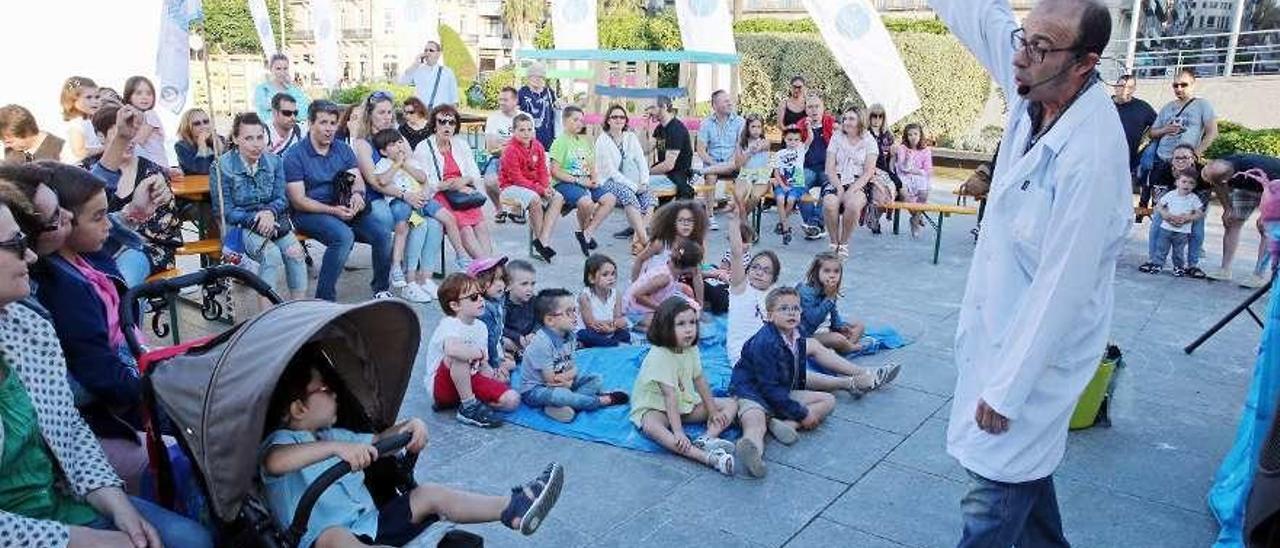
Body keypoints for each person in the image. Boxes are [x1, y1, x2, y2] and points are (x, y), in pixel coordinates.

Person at [929, 0, 1132, 544]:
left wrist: (1009, 389)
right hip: (998, 330)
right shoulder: (1036, 83)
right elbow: (980, 18)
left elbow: (1062, 288)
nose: (1021, 55)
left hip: (1036, 360)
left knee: (991, 499)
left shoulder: (1092, 154)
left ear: (1085, 63)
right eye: (1024, 38)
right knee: (1027, 493)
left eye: (1040, 48)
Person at [0, 184, 213, 548]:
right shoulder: (60, 292)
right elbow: (100, 375)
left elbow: (68, 428)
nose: (32, 257)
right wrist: (85, 540)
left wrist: (120, 509)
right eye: (17, 242)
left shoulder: (25, 324)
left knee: (192, 539)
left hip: (61, 497)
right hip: (28, 529)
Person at [261, 356, 564, 548]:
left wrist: (410, 425)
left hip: (373, 524)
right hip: (323, 541)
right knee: (334, 538)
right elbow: (276, 463)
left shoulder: (336, 434)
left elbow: (378, 439)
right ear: (299, 408)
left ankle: (513, 506)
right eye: (325, 389)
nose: (335, 392)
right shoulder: (282, 443)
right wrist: (337, 449)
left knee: (428, 493)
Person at [36, 166, 167, 493]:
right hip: (117, 404)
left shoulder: (89, 257)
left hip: (133, 369)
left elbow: (120, 233)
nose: (108, 224)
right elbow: (100, 373)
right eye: (98, 217)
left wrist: (134, 211)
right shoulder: (65, 289)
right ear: (63, 221)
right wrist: (159, 390)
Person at [283, 100, 394, 301]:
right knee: (343, 237)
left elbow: (357, 180)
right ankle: (324, 299)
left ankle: (381, 289)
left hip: (342, 207)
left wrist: (358, 196)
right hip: (309, 212)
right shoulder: (295, 155)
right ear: (310, 123)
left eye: (333, 123)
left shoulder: (342, 149)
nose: (329, 129)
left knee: (383, 234)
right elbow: (298, 200)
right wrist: (333, 211)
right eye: (323, 123)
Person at [730, 287, 837, 479]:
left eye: (796, 308)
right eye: (784, 309)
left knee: (827, 400)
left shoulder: (798, 333)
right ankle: (753, 450)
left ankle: (787, 424)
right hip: (752, 392)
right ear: (770, 316)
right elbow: (768, 388)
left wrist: (797, 407)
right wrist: (802, 413)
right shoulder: (765, 343)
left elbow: (795, 368)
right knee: (755, 424)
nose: (791, 312)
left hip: (780, 392)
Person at [629, 296, 737, 475]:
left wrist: (712, 411)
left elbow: (699, 379)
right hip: (657, 408)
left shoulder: (690, 348)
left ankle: (707, 438)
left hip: (684, 403)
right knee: (651, 426)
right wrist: (678, 432)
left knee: (731, 404)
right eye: (681, 324)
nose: (689, 330)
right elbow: (668, 396)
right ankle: (710, 459)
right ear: (665, 327)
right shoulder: (660, 355)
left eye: (692, 323)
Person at [216, 112, 308, 304]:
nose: (256, 144)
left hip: (272, 221)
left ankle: (298, 311)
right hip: (241, 226)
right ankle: (268, 319)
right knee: (270, 255)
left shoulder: (274, 161)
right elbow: (225, 210)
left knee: (296, 253)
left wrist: (269, 212)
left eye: (260, 137)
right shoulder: (221, 166)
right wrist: (257, 217)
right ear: (235, 139)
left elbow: (282, 199)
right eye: (248, 138)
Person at [88, 105, 181, 286]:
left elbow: (164, 228)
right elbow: (80, 219)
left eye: (132, 133)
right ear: (100, 136)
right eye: (121, 134)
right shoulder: (85, 172)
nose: (129, 140)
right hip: (96, 249)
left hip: (145, 248)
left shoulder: (152, 172)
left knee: (122, 282)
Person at [371, 128, 463, 301]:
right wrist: (397, 164)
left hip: (421, 203)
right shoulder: (384, 164)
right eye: (392, 144)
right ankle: (408, 279)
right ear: (383, 151)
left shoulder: (411, 161)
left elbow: (422, 178)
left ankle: (426, 278)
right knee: (420, 225)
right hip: (402, 208)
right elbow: (382, 181)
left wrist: (405, 163)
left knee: (438, 224)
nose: (398, 146)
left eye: (399, 142)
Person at [517, 288, 629, 423]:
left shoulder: (570, 335)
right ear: (550, 320)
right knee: (561, 395)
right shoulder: (542, 343)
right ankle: (601, 400)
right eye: (568, 312)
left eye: (575, 310)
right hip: (536, 390)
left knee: (596, 379)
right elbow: (550, 380)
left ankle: (563, 406)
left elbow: (572, 367)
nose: (575, 316)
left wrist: (568, 380)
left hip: (561, 381)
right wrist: (567, 380)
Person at [425, 273, 520, 428]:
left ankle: (469, 400)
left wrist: (494, 373)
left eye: (481, 294)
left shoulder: (481, 327)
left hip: (470, 379)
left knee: (512, 399)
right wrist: (479, 354)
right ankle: (469, 407)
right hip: (442, 387)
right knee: (459, 356)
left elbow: (482, 366)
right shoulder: (449, 324)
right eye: (473, 297)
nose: (481, 299)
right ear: (455, 305)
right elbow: (452, 349)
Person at [415, 104, 493, 267]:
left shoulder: (460, 144)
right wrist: (446, 185)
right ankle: (486, 267)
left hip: (461, 192)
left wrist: (462, 182)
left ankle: (489, 264)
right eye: (442, 122)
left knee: (480, 224)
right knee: (465, 227)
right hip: (438, 194)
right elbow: (422, 181)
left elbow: (474, 172)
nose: (447, 126)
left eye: (451, 122)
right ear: (434, 125)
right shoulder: (424, 148)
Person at [1202, 153, 1280, 286]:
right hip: (1247, 187)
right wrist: (1227, 209)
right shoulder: (1221, 165)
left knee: (1266, 228)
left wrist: (1266, 216)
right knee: (1231, 221)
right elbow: (1219, 186)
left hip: (1274, 189)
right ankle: (1225, 270)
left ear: (1227, 178)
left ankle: (1258, 275)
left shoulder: (1263, 169)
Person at [1146, 67, 1218, 210]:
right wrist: (1165, 130)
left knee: (1187, 207)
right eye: (1175, 85)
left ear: (1193, 84)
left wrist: (1196, 152)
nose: (1179, 88)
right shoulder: (1167, 107)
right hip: (1163, 161)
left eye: (1183, 84)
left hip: (1186, 162)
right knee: (1160, 207)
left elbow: (1212, 133)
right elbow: (1152, 133)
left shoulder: (1202, 105)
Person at [550, 106, 615, 256]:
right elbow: (555, 171)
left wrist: (594, 178)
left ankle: (586, 233)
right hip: (565, 182)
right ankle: (585, 233)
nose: (580, 123)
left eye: (582, 120)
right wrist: (579, 181)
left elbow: (591, 164)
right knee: (587, 203)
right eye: (575, 120)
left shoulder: (585, 140)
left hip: (585, 180)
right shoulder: (560, 142)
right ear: (565, 121)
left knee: (610, 199)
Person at [500, 113, 562, 263]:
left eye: (529, 129)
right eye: (522, 130)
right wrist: (540, 190)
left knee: (558, 197)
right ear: (514, 131)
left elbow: (542, 171)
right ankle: (541, 243)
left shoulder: (538, 146)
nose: (526, 133)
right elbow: (518, 179)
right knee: (534, 199)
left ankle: (542, 240)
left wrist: (546, 187)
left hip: (533, 187)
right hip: (511, 188)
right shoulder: (510, 150)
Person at [595, 104, 657, 250]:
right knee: (629, 195)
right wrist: (635, 187)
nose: (618, 119)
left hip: (633, 181)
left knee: (651, 199)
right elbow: (611, 172)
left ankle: (636, 240)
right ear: (608, 120)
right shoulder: (602, 140)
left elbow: (641, 161)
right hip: (608, 181)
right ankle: (645, 241)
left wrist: (644, 182)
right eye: (614, 117)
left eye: (622, 117)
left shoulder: (630, 137)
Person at [823, 106, 883, 257]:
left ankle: (843, 243)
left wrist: (850, 190)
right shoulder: (836, 137)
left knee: (853, 204)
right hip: (837, 177)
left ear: (860, 121)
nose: (846, 122)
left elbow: (869, 171)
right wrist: (840, 188)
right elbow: (829, 167)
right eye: (845, 118)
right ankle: (833, 242)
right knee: (830, 203)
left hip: (858, 181)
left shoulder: (869, 141)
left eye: (851, 119)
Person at [624, 239, 702, 329]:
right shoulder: (664, 278)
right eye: (696, 267)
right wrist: (660, 308)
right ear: (689, 267)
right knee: (671, 324)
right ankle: (637, 325)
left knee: (690, 310)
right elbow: (637, 295)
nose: (697, 270)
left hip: (653, 302)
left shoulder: (673, 272)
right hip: (635, 310)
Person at [696, 90, 746, 231]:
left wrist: (729, 162)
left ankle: (700, 172)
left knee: (735, 165)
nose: (730, 102)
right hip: (714, 163)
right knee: (711, 176)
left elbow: (740, 146)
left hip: (734, 162)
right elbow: (701, 150)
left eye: (729, 100)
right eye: (725, 101)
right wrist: (714, 164)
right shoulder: (706, 123)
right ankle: (709, 215)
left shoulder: (739, 122)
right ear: (715, 105)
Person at [1141, 169, 1204, 276]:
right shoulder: (1170, 195)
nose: (1187, 185)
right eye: (1184, 182)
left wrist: (1188, 217)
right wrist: (1166, 214)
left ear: (1194, 186)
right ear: (1177, 182)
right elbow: (1159, 206)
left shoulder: (1193, 198)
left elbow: (1200, 213)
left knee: (1178, 251)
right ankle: (1157, 264)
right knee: (1161, 248)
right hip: (1166, 228)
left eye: (1191, 183)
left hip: (1182, 231)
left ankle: (1179, 267)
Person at [797, 94, 835, 239]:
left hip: (828, 168)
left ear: (823, 108)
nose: (814, 110)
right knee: (798, 185)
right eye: (810, 107)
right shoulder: (800, 127)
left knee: (830, 189)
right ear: (806, 110)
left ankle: (814, 223)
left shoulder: (832, 124)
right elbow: (794, 150)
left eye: (817, 106)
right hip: (808, 168)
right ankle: (815, 225)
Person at [484, 87, 523, 219]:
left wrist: (504, 144)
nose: (501, 102)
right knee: (489, 182)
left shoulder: (524, 117)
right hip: (498, 158)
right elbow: (491, 147)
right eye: (500, 99)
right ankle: (499, 208)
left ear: (515, 100)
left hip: (520, 160)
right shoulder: (493, 118)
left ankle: (517, 207)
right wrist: (514, 144)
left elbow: (529, 144)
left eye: (505, 100)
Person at [470, 257, 513, 375]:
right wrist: (496, 365)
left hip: (495, 352)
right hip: (483, 362)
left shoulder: (498, 300)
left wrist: (502, 351)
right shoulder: (484, 309)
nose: (500, 284)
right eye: (493, 280)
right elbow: (490, 340)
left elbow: (498, 333)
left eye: (502, 279)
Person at [646, 96, 695, 200]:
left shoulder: (676, 129)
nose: (649, 111)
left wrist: (646, 172)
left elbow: (668, 165)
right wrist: (644, 125)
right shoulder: (660, 129)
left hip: (677, 175)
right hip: (665, 172)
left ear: (663, 107)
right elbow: (645, 150)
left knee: (641, 185)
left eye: (652, 108)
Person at [577, 253, 629, 348]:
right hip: (593, 331)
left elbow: (618, 317)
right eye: (605, 275)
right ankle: (615, 344)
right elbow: (590, 323)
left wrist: (614, 327)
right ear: (592, 279)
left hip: (610, 330)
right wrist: (611, 325)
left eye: (613, 274)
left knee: (625, 334)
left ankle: (609, 344)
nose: (611, 278)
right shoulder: (585, 296)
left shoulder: (616, 294)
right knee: (583, 335)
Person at [1112, 74, 1156, 182]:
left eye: (1130, 87)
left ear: (1134, 89)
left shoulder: (1142, 107)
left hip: (1129, 162)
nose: (1125, 90)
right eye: (1121, 86)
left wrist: (1146, 146)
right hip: (1103, 159)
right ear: (1115, 86)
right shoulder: (1104, 105)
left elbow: (1157, 126)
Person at [122, 76, 171, 171]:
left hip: (156, 164)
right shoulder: (130, 117)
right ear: (129, 96)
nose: (145, 97)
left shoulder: (150, 114)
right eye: (138, 93)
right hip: (144, 165)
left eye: (149, 93)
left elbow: (139, 140)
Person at [895, 123, 935, 239]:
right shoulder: (903, 148)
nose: (913, 137)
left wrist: (915, 171)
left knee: (924, 192)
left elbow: (928, 170)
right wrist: (908, 160)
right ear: (906, 136)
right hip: (904, 176)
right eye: (910, 134)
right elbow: (902, 167)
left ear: (920, 135)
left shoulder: (926, 150)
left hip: (919, 176)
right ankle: (917, 218)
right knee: (904, 194)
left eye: (916, 134)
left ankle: (914, 219)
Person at [253, 53, 312, 126]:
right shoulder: (262, 89)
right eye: (278, 69)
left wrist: (291, 86)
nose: (282, 72)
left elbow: (304, 112)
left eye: (285, 68)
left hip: (293, 129)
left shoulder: (293, 89)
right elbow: (263, 110)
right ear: (271, 69)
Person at [399, 41, 459, 111]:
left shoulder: (447, 72)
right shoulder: (417, 70)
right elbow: (402, 81)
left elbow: (454, 98)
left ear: (438, 54)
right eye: (426, 50)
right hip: (422, 115)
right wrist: (415, 64)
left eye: (431, 50)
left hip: (440, 116)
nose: (428, 53)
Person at [771, 127, 807, 245]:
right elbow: (776, 172)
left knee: (791, 200)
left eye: (796, 140)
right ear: (784, 139)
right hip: (783, 183)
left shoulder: (801, 150)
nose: (793, 142)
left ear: (800, 141)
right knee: (780, 199)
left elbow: (810, 139)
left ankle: (781, 223)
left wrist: (809, 127)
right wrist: (782, 185)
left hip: (797, 185)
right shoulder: (779, 154)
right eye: (790, 139)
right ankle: (786, 230)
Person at [735, 113, 773, 224]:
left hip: (762, 175)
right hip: (745, 174)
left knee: (755, 196)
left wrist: (756, 148)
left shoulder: (765, 142)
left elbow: (762, 147)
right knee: (739, 195)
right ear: (747, 128)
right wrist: (748, 152)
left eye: (759, 127)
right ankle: (744, 223)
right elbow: (738, 164)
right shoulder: (741, 144)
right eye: (753, 127)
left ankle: (742, 221)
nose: (756, 130)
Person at [517, 63, 562, 151]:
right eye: (535, 76)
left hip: (547, 140)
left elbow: (558, 106)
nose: (538, 79)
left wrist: (559, 104)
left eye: (541, 77)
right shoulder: (521, 93)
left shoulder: (549, 92)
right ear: (529, 77)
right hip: (527, 140)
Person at [0, 105, 65, 164]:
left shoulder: (60, 149)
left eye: (9, 142)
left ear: (27, 132)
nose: (6, 146)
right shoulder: (11, 150)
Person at [60, 76, 104, 164]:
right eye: (89, 97)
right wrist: (104, 148)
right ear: (72, 101)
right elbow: (79, 152)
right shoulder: (76, 124)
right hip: (76, 170)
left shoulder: (87, 122)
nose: (95, 101)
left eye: (97, 97)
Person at [502, 260, 539, 362]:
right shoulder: (503, 304)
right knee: (505, 342)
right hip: (513, 342)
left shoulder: (534, 301)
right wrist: (517, 337)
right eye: (524, 284)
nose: (530, 289)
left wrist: (534, 333)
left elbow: (540, 320)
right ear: (508, 285)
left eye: (532, 284)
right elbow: (500, 326)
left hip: (529, 340)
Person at [174, 108, 224, 175]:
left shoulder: (219, 139)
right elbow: (203, 170)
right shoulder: (181, 146)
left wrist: (218, 144)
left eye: (206, 122)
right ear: (188, 127)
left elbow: (227, 167)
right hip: (195, 183)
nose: (203, 126)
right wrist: (202, 145)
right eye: (197, 124)